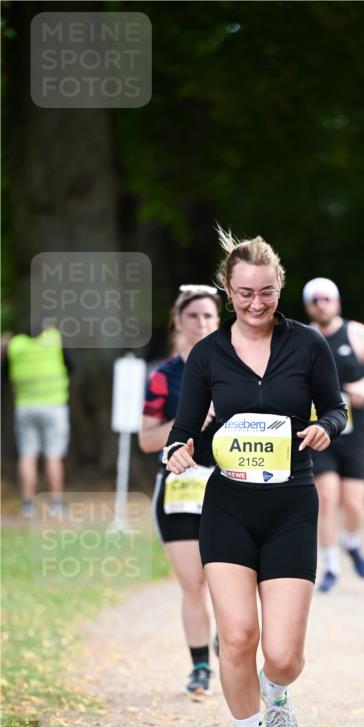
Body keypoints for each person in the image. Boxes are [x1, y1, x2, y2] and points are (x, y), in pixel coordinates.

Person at [165, 233, 347, 727]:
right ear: (227, 289)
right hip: (229, 506)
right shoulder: (208, 354)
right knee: (238, 635)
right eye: (244, 293)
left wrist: (322, 428)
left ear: (280, 286)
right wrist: (179, 451)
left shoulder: (308, 345)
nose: (256, 304)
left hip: (291, 504)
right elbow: (182, 429)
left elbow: (337, 410)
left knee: (284, 654)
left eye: (265, 292)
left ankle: (277, 692)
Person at [139, 285, 222, 696]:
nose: (202, 323)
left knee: (229, 578)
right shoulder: (163, 375)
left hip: (228, 486)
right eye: (194, 317)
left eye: (209, 316)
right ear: (178, 322)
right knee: (193, 583)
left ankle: (232, 635)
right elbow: (146, 439)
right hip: (179, 487)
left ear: (219, 321)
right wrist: (186, 421)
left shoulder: (239, 368)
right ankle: (200, 666)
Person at [302, 278, 364, 592]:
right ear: (308, 306)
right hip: (317, 432)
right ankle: (330, 566)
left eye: (327, 298)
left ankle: (351, 542)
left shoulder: (356, 333)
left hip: (353, 431)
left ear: (337, 302)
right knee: (326, 498)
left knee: (354, 504)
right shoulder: (303, 338)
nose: (322, 304)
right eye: (315, 300)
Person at [3, 322, 71, 517]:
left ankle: (27, 504)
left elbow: (6, 374)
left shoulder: (16, 346)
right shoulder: (54, 340)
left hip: (25, 407)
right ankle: (56, 503)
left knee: (27, 455)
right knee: (53, 455)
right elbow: (70, 366)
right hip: (53, 406)